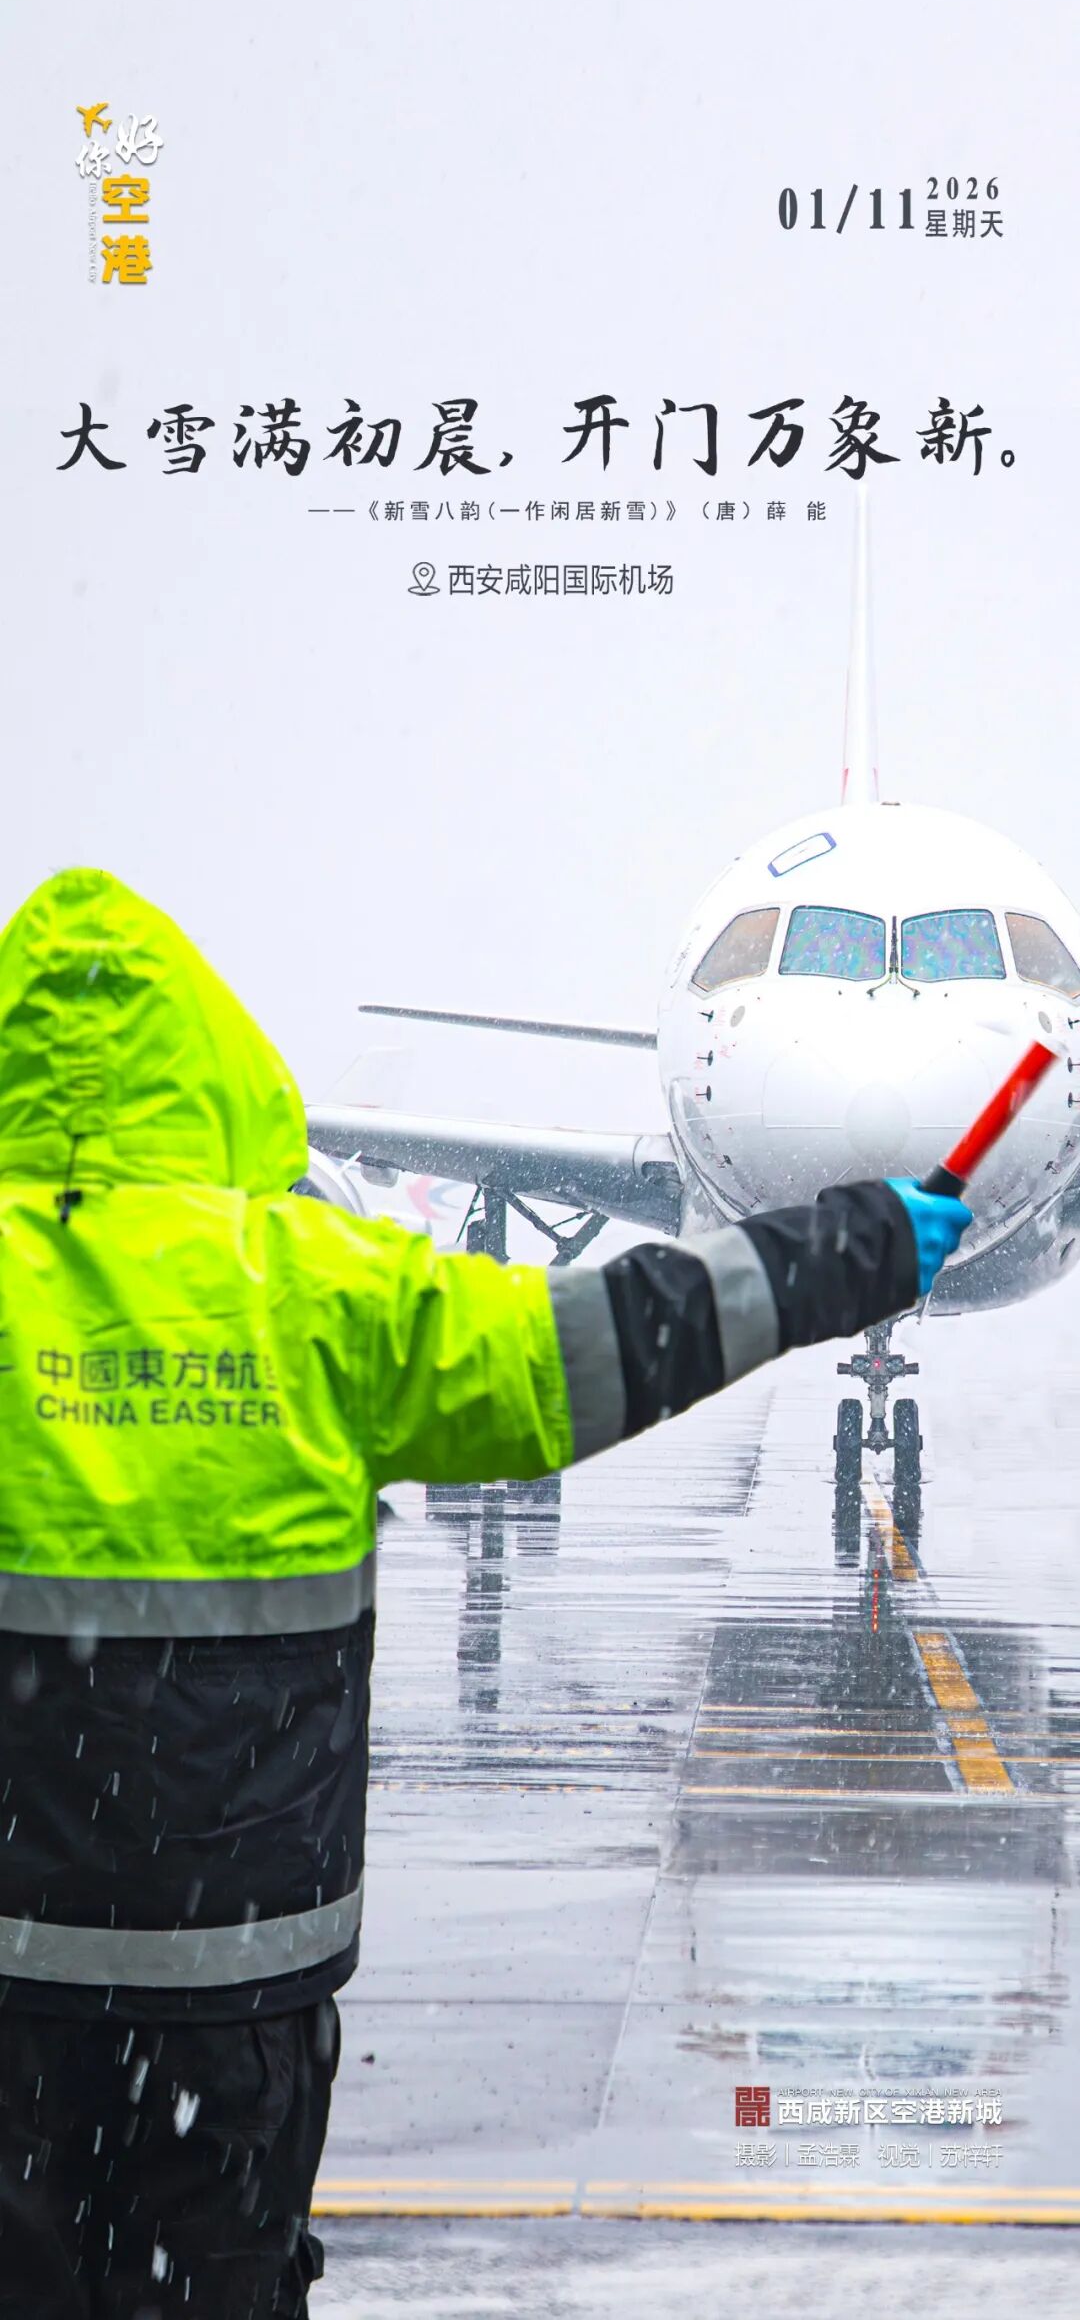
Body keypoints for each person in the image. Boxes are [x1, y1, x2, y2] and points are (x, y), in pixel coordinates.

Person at [0, 869, 971, 2318]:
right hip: (238, 1991)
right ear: (214, 1067)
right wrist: (849, 1253)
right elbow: (600, 1346)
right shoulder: (322, 1288)